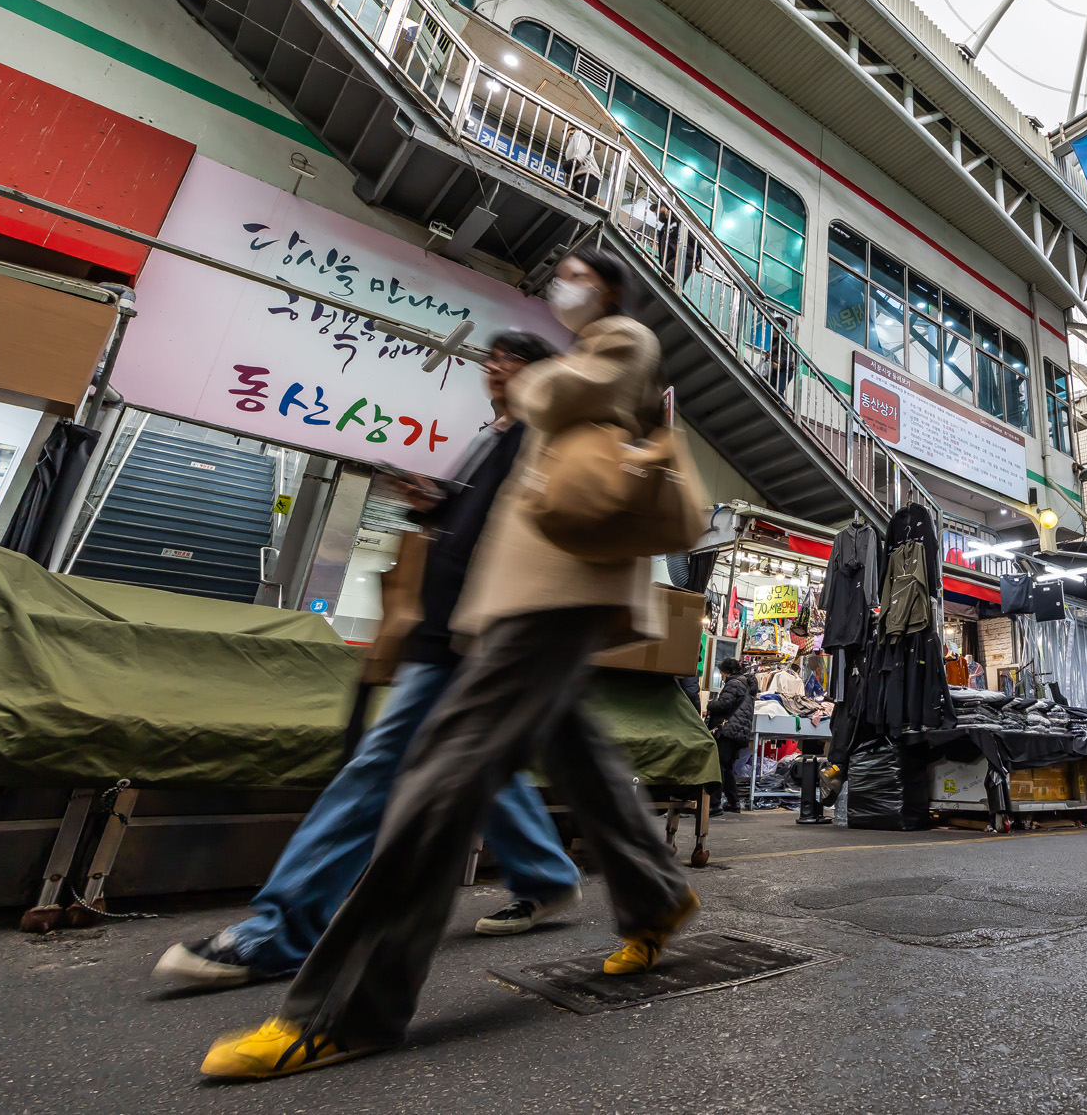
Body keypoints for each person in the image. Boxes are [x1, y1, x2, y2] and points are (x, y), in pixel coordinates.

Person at [200, 251, 697, 1081]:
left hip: (556, 596)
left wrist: (530, 379)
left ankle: (344, 1010)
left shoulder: (621, 342)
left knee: (439, 783)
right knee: (579, 754)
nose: (561, 285)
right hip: (528, 601)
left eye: (575, 275)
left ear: (608, 288)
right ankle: (655, 896)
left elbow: (558, 399)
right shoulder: (559, 380)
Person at [154, 332, 579, 991]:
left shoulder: (546, 441)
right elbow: (480, 529)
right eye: (492, 357)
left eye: (510, 358)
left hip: (475, 638)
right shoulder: (497, 439)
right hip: (451, 635)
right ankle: (546, 875)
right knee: (482, 764)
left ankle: (282, 931)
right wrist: (436, 505)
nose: (493, 367)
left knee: (379, 769)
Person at [707, 657, 757, 816]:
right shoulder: (746, 684)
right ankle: (733, 802)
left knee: (718, 766)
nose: (722, 677)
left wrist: (710, 704)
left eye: (722, 673)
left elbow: (725, 703)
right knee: (727, 766)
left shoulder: (734, 683)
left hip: (729, 730)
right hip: (739, 732)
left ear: (726, 672)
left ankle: (714, 804)